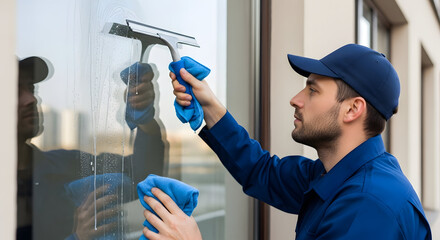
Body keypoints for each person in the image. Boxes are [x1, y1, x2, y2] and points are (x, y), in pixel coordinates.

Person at [141, 44, 432, 239]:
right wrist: (210, 106)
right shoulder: (335, 175)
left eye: (313, 90)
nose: (296, 100)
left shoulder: (368, 206)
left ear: (353, 110)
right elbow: (261, 172)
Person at [17, 56, 166, 239]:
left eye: (31, 89)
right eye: (13, 91)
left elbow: (140, 177)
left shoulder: (64, 164)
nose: (32, 99)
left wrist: (144, 120)